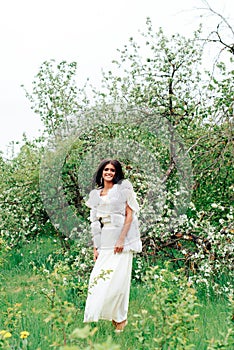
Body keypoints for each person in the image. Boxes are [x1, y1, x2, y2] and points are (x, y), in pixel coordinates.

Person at [83, 159, 142, 332]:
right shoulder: (95, 194)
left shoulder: (123, 189)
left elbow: (129, 215)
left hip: (122, 241)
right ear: (101, 172)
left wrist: (122, 240)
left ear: (117, 173)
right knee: (96, 281)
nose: (109, 172)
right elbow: (95, 222)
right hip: (105, 242)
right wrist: (96, 247)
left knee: (118, 285)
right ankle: (96, 319)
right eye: (106, 169)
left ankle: (120, 323)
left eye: (112, 170)